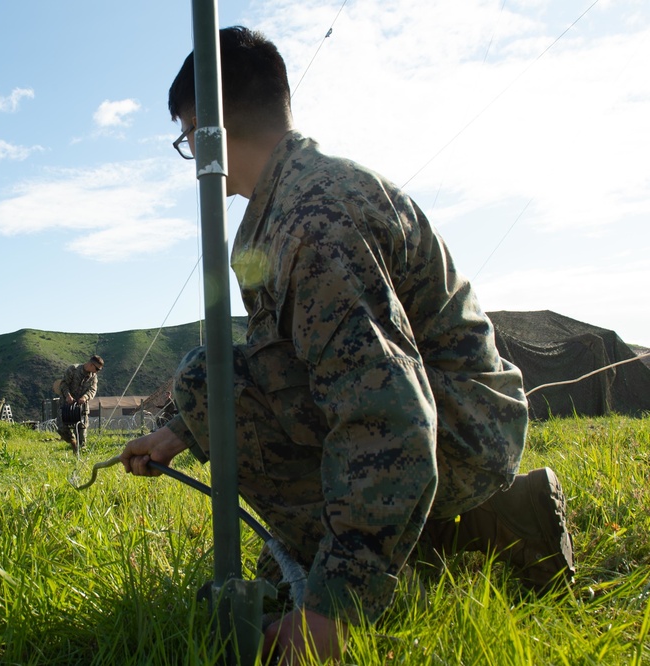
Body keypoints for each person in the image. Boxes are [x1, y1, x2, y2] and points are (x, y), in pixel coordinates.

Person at [120, 26, 574, 664]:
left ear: (206, 131)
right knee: (206, 387)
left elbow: (387, 418)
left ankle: (474, 526)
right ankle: (464, 528)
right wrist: (180, 431)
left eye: (186, 138)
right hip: (450, 418)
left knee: (210, 386)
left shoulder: (314, 224)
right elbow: (278, 367)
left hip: (461, 436)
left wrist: (333, 611)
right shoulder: (287, 205)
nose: (191, 154)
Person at [57, 355, 104, 452]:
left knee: (82, 431)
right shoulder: (73, 370)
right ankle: (73, 442)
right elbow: (64, 384)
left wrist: (85, 397)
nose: (97, 371)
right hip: (67, 405)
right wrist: (68, 396)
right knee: (62, 428)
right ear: (91, 364)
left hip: (81, 408)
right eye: (97, 369)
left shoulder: (93, 377)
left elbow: (93, 390)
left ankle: (81, 453)